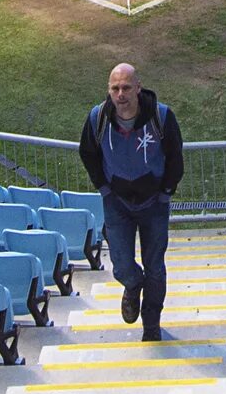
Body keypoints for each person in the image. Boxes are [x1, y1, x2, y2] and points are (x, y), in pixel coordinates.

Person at [78, 62, 184, 339]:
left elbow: (175, 156)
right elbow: (87, 153)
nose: (121, 94)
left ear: (138, 88)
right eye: (115, 88)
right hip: (117, 203)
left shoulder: (161, 117)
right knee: (121, 264)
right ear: (108, 91)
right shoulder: (97, 118)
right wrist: (104, 188)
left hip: (154, 204)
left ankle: (151, 324)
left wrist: (166, 192)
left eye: (126, 87)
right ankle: (133, 284)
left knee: (155, 267)